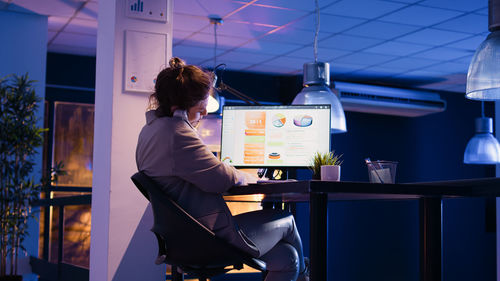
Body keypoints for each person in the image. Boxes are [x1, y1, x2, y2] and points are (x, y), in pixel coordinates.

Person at [135, 57, 309, 281]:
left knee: (288, 257)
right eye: (199, 110)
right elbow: (221, 179)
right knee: (287, 219)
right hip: (207, 237)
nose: (204, 114)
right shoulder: (178, 133)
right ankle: (307, 277)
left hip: (182, 238)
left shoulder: (149, 131)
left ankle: (303, 272)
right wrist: (243, 174)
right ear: (178, 109)